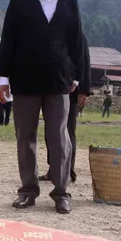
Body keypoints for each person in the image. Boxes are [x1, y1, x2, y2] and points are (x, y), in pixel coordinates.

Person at [0, 0, 87, 214]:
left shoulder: (70, 1)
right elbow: (8, 41)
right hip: (24, 81)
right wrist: (3, 78)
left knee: (60, 137)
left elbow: (77, 43)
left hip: (59, 82)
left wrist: (77, 77)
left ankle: (61, 192)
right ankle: (28, 190)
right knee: (25, 137)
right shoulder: (20, 0)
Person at [40, 33, 92, 184]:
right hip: (51, 87)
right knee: (50, 131)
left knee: (66, 130)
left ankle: (68, 171)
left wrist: (84, 89)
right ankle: (53, 169)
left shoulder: (77, 35)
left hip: (70, 89)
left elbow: (84, 61)